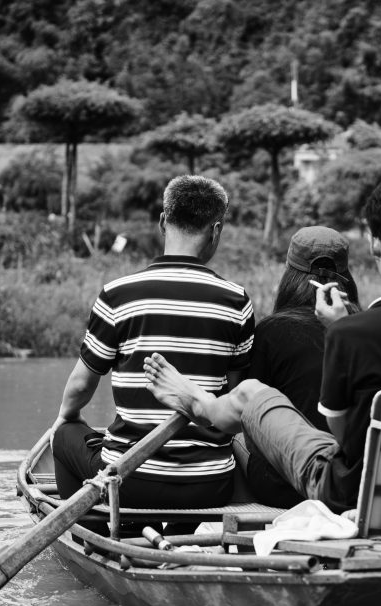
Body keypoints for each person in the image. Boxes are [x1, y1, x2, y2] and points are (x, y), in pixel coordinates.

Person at [144, 176, 381, 515]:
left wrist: (343, 335)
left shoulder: (350, 334)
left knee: (251, 393)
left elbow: (345, 441)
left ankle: (196, 400)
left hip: (352, 497)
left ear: (375, 242)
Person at [51, 175, 254, 509]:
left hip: (129, 482)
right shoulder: (236, 301)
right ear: (216, 230)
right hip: (210, 484)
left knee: (63, 436)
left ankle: (95, 530)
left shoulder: (118, 295)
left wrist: (65, 417)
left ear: (163, 222)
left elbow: (80, 387)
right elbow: (235, 397)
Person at [240, 225, 359, 507]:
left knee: (235, 437)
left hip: (286, 488)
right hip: (351, 485)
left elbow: (249, 418)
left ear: (289, 273)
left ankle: (244, 524)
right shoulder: (364, 332)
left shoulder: (270, 331)